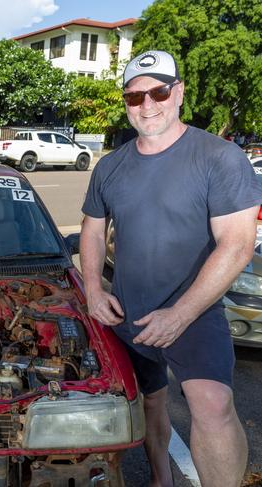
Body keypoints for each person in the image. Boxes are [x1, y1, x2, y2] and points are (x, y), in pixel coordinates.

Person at [80, 51, 262, 487]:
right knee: (150, 404)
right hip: (127, 314)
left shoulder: (219, 157)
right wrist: (92, 289)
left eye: (158, 91)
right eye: (134, 96)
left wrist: (179, 315)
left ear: (178, 93)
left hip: (194, 315)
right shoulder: (110, 166)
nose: (148, 105)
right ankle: (162, 478)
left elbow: (236, 246)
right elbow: (91, 229)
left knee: (213, 404)